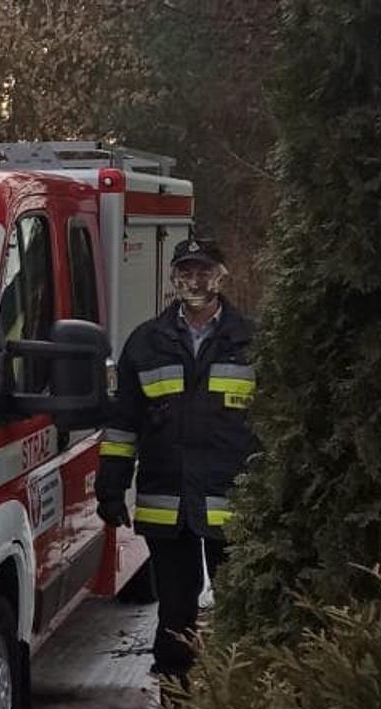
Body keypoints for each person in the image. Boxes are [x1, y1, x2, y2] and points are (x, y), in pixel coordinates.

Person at [95, 237, 257, 686]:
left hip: (237, 503)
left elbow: (277, 422)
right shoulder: (145, 343)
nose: (194, 280)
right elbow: (124, 421)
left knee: (241, 608)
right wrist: (110, 483)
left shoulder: (253, 341)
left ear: (222, 276)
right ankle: (175, 704)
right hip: (168, 503)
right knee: (174, 612)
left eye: (204, 270)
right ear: (173, 278)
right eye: (186, 271)